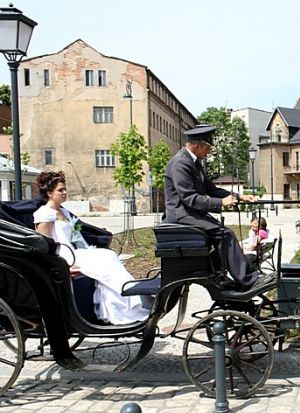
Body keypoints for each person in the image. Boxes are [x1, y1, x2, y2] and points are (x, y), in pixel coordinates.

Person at [33, 171, 149, 325]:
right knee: (105, 258)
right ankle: (128, 300)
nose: (65, 192)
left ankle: (130, 300)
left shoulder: (64, 212)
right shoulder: (44, 214)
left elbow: (77, 235)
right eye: (60, 190)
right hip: (65, 256)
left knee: (108, 255)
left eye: (65, 189)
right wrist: (63, 265)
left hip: (78, 251)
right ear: (49, 193)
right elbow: (44, 246)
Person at [163, 124, 260, 288]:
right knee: (225, 234)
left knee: (224, 234)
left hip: (190, 213)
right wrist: (221, 203)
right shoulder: (180, 163)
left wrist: (240, 197)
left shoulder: (194, 162)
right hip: (181, 215)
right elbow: (189, 198)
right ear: (197, 146)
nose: (208, 153)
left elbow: (211, 189)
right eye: (207, 148)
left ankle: (216, 273)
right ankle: (246, 279)